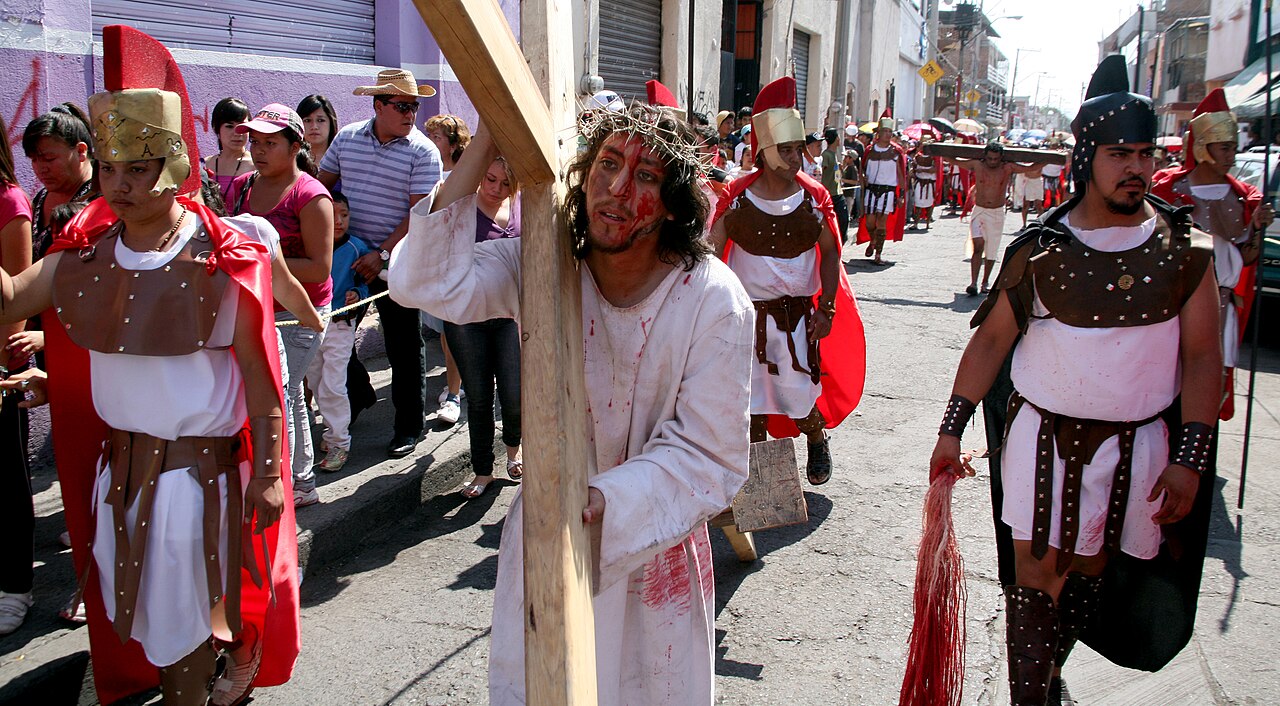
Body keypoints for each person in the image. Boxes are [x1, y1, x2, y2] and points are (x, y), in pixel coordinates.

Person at [390, 105, 753, 705]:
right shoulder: (542, 264)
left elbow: (711, 455)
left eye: (645, 176)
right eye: (607, 163)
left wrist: (604, 500)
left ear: (673, 203)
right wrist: (485, 142)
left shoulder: (714, 299)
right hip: (545, 538)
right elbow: (419, 284)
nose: (616, 188)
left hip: (649, 549)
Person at [929, 55, 1223, 706]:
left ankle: (1046, 674)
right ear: (1089, 155)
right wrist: (951, 429)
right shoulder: (1040, 250)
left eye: (1147, 154)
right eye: (1121, 153)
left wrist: (1190, 458)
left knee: (1088, 571)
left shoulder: (1185, 253)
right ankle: (1032, 695)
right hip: (1042, 445)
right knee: (1035, 576)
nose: (1137, 168)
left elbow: (1203, 358)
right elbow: (990, 344)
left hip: (1135, 453)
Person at [4, 81, 299, 705]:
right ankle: (214, 663)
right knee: (145, 619)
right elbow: (10, 300)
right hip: (121, 476)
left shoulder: (224, 259)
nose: (119, 185)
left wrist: (269, 473)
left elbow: (258, 374)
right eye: (109, 170)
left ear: (173, 167)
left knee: (182, 632)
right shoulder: (82, 256)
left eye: (137, 169)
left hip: (195, 479)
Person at [709, 76, 866, 485]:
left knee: (796, 395)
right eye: (787, 149)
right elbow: (710, 255)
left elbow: (831, 252)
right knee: (750, 400)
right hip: (744, 319)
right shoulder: (736, 197)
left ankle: (815, 436)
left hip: (794, 319)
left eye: (799, 149)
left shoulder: (813, 197)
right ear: (764, 149)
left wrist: (828, 308)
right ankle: (760, 486)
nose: (796, 157)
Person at [318, 68, 442, 459]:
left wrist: (383, 253)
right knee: (332, 339)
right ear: (378, 105)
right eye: (402, 106)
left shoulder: (423, 151)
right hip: (348, 259)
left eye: (414, 107)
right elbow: (322, 187)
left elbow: (419, 214)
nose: (411, 115)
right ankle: (359, 395)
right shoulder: (348, 137)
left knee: (403, 345)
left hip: (396, 262)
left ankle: (409, 427)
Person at [228, 103, 335, 507]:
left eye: (269, 143)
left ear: (295, 147)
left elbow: (318, 268)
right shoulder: (239, 188)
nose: (257, 150)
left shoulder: (311, 196)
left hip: (299, 316)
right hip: (254, 312)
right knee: (270, 394)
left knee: (284, 394)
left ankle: (300, 482)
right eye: (254, 141)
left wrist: (260, 261)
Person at [1150, 88, 1274, 421]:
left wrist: (1259, 228)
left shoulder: (1245, 197)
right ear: (1203, 146)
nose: (1231, 155)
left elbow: (1246, 259)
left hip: (1220, 304)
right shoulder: (1168, 190)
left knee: (1207, 392)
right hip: (1174, 301)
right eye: (1225, 147)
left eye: (1233, 147)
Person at [425, 154, 524, 499]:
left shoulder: (524, 206)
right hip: (466, 321)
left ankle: (513, 452)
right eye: (491, 178)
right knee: (479, 399)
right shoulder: (462, 205)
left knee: (514, 396)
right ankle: (482, 472)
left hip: (509, 317)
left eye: (506, 183)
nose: (496, 188)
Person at [0, 115, 34, 635]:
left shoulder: (8, 202)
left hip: (1, 363)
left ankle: (14, 585)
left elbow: (16, 298)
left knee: (5, 482)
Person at [305, 193, 367, 472]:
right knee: (316, 379)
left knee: (333, 382)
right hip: (309, 322)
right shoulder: (310, 246)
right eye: (332, 214)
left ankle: (340, 442)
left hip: (341, 323)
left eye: (344, 214)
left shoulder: (356, 248)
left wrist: (357, 293)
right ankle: (332, 433)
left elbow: (366, 282)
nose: (339, 221)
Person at [422, 113, 472, 423]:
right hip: (435, 259)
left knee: (455, 330)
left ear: (453, 143)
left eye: (437, 137)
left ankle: (455, 390)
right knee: (443, 331)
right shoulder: (428, 170)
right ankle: (459, 382)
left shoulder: (465, 174)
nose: (431, 142)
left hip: (458, 260)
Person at [943, 142, 1041, 295]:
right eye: (989, 158)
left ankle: (985, 282)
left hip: (996, 212)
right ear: (985, 157)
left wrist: (1051, 159)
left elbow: (1030, 167)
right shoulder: (977, 165)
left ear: (1001, 157)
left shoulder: (1008, 167)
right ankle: (973, 283)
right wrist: (939, 151)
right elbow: (955, 161)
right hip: (980, 210)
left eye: (996, 159)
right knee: (978, 247)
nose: (992, 162)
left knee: (992, 250)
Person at [22, 103, 99, 260]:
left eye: (49, 159)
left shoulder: (101, 202)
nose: (40, 168)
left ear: (80, 151)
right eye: (34, 160)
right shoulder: (41, 197)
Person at [855, 113, 908, 265]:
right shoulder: (870, 150)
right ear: (879, 133)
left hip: (888, 191)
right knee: (869, 223)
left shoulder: (896, 151)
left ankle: (878, 254)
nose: (888, 134)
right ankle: (873, 241)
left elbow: (901, 175)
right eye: (885, 131)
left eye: (890, 132)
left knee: (882, 223)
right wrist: (863, 176)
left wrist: (902, 194)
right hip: (871, 189)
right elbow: (863, 168)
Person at [202, 98, 254, 195]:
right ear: (216, 128)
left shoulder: (257, 166)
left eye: (242, 126)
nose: (237, 133)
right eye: (229, 126)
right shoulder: (205, 165)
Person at [820, 127, 849, 241]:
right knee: (839, 223)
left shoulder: (834, 154)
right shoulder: (826, 155)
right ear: (836, 139)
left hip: (837, 192)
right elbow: (822, 170)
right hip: (831, 194)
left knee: (843, 223)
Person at [296, 94, 338, 172]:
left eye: (320, 120)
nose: (314, 127)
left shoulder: (340, 158)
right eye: (307, 120)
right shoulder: (291, 160)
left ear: (331, 124)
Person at [424, 113, 472, 178]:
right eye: (429, 136)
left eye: (436, 137)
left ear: (453, 146)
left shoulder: (462, 177)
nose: (429, 141)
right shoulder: (424, 171)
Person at [910, 140, 941, 231]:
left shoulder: (933, 158)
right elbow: (914, 169)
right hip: (920, 183)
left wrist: (923, 170)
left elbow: (934, 170)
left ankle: (927, 223)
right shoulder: (917, 157)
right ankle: (916, 223)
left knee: (929, 204)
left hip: (929, 183)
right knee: (918, 204)